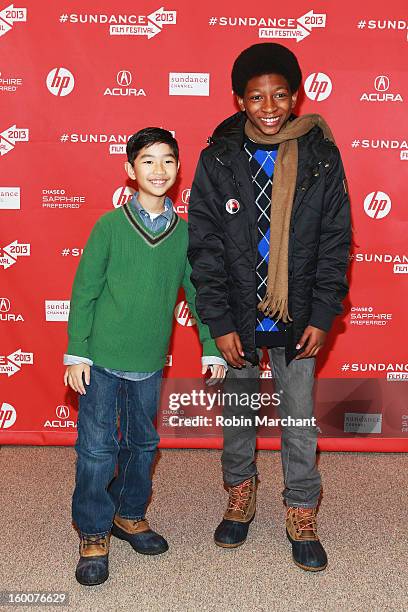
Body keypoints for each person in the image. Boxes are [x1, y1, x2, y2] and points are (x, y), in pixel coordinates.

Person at [188, 43, 351, 571]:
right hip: (238, 315)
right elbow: (206, 245)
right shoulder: (217, 157)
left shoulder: (321, 154)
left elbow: (335, 239)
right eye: (256, 96)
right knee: (239, 412)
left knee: (299, 417)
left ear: (296, 97)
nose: (269, 105)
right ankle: (241, 491)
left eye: (280, 94)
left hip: (299, 313)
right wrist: (216, 323)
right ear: (239, 100)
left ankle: (301, 506)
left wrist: (324, 315)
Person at [64, 127, 226, 586]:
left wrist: (212, 348)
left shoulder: (185, 234)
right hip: (98, 361)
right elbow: (85, 292)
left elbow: (201, 296)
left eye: (168, 160)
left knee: (143, 444)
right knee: (96, 449)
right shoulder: (109, 226)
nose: (159, 170)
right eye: (148, 161)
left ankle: (129, 514)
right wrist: (77, 353)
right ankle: (94, 530)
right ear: (129, 169)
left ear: (178, 169)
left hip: (150, 363)